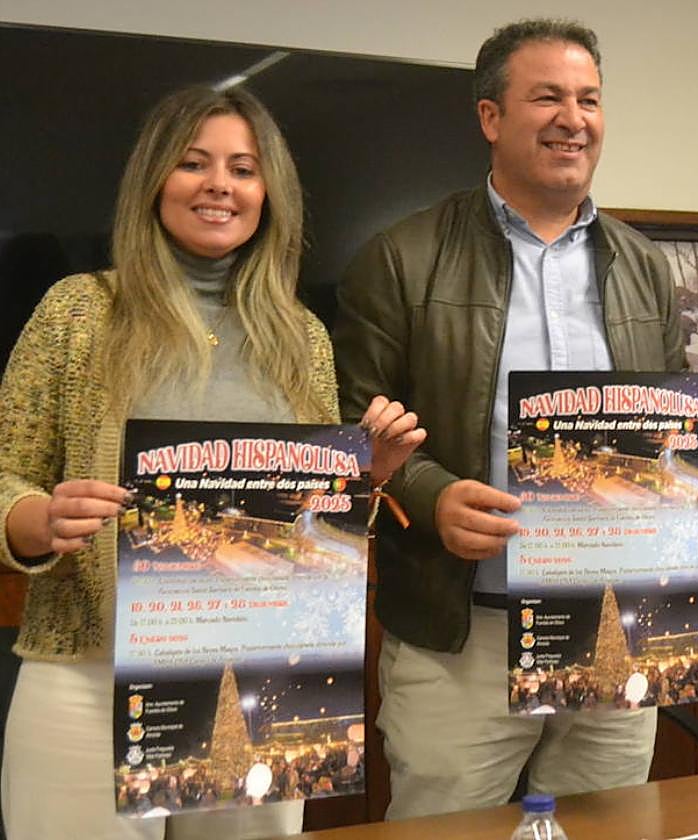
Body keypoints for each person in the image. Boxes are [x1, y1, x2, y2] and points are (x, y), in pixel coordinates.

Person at [333, 18, 698, 821]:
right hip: (463, 634)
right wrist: (428, 493)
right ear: (491, 117)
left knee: (615, 826)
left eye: (589, 99)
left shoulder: (644, 266)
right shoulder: (399, 257)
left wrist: (693, 500)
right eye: (547, 96)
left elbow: (666, 434)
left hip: (616, 620)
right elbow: (347, 429)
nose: (574, 118)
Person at [0, 85, 424, 840]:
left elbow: (312, 523)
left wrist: (369, 475)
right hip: (89, 675)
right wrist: (36, 519)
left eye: (243, 167)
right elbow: (6, 473)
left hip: (264, 674)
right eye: (194, 163)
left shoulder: (301, 336)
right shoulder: (77, 310)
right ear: (154, 181)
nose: (220, 184)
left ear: (270, 193)